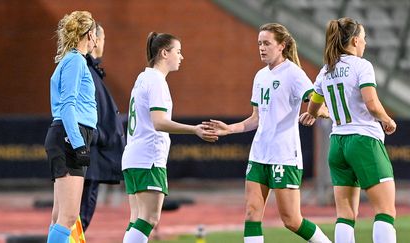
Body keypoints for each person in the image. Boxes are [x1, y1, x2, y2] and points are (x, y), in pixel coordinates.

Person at [204, 23, 331, 243]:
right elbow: (256, 118)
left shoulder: (293, 73)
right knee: (252, 214)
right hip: (259, 153)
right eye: (259, 44)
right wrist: (229, 129)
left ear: (281, 46)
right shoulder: (260, 76)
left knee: (292, 220)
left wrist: (318, 112)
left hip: (284, 155)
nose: (261, 48)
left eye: (266, 43)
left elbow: (318, 103)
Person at [299, 17, 397, 243]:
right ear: (354, 40)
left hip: (337, 145)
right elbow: (371, 104)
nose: (365, 43)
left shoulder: (326, 70)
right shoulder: (362, 66)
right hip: (364, 141)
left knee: (345, 216)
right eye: (363, 39)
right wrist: (386, 119)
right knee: (385, 210)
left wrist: (312, 114)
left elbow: (313, 102)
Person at [121, 32, 218, 243]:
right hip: (149, 158)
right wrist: (195, 130)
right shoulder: (156, 81)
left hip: (133, 156)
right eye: (178, 51)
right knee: (149, 218)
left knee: (137, 218)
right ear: (164, 53)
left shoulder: (143, 77)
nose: (181, 57)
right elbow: (159, 122)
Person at [44, 11, 97, 243]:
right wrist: (78, 144)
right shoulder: (75, 60)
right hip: (71, 135)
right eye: (95, 33)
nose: (96, 38)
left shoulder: (71, 60)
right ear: (88, 34)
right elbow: (67, 105)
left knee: (59, 215)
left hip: (65, 134)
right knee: (69, 216)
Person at [80, 23, 126, 231]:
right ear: (95, 40)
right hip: (89, 157)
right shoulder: (85, 71)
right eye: (104, 38)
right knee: (77, 217)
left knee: (78, 217)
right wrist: (99, 137)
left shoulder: (91, 70)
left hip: (93, 157)